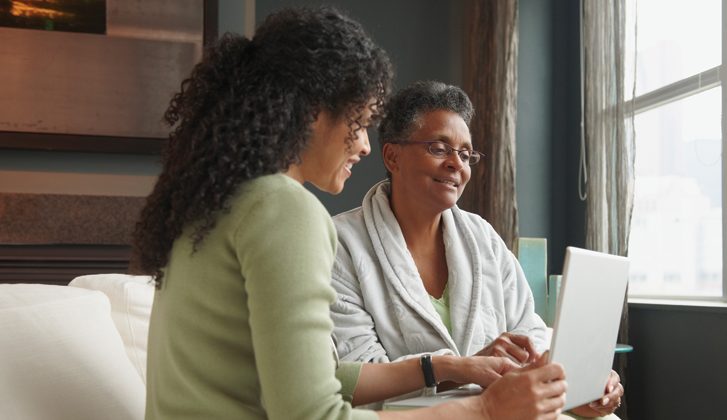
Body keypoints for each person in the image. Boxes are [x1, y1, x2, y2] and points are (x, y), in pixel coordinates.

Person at [133, 8, 568, 420]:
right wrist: (487, 410)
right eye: (357, 123)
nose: (363, 145)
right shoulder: (285, 209)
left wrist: (451, 367)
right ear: (312, 112)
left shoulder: (211, 204)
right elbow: (314, 414)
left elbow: (312, 379)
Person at [330, 80, 623, 418]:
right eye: (439, 148)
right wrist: (461, 368)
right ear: (393, 156)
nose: (457, 164)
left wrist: (574, 386)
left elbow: (530, 333)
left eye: (466, 154)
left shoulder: (482, 237)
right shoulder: (342, 244)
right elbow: (358, 376)